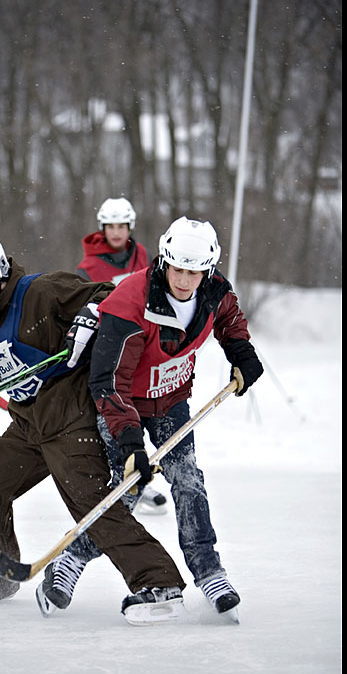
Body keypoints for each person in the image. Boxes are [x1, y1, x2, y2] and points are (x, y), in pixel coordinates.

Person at [0, 230, 185, 623]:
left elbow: (109, 296)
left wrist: (89, 315)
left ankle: (160, 582)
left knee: (92, 506)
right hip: (27, 427)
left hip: (70, 422)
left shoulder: (42, 291)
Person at [36, 216, 264, 623]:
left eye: (195, 272)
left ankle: (209, 572)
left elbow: (229, 319)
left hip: (171, 401)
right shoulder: (130, 302)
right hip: (122, 403)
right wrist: (130, 443)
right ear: (164, 261)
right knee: (127, 488)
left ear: (208, 269)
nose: (185, 280)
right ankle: (69, 562)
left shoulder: (213, 288)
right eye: (177, 269)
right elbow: (107, 381)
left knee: (188, 479)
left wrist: (241, 352)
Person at [76, 197, 168, 514]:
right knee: (111, 416)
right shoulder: (88, 268)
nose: (116, 232)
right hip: (105, 347)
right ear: (102, 228)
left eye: (122, 226)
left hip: (139, 344)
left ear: (130, 227)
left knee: (138, 410)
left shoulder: (141, 255)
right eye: (111, 226)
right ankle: (121, 483)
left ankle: (137, 476)